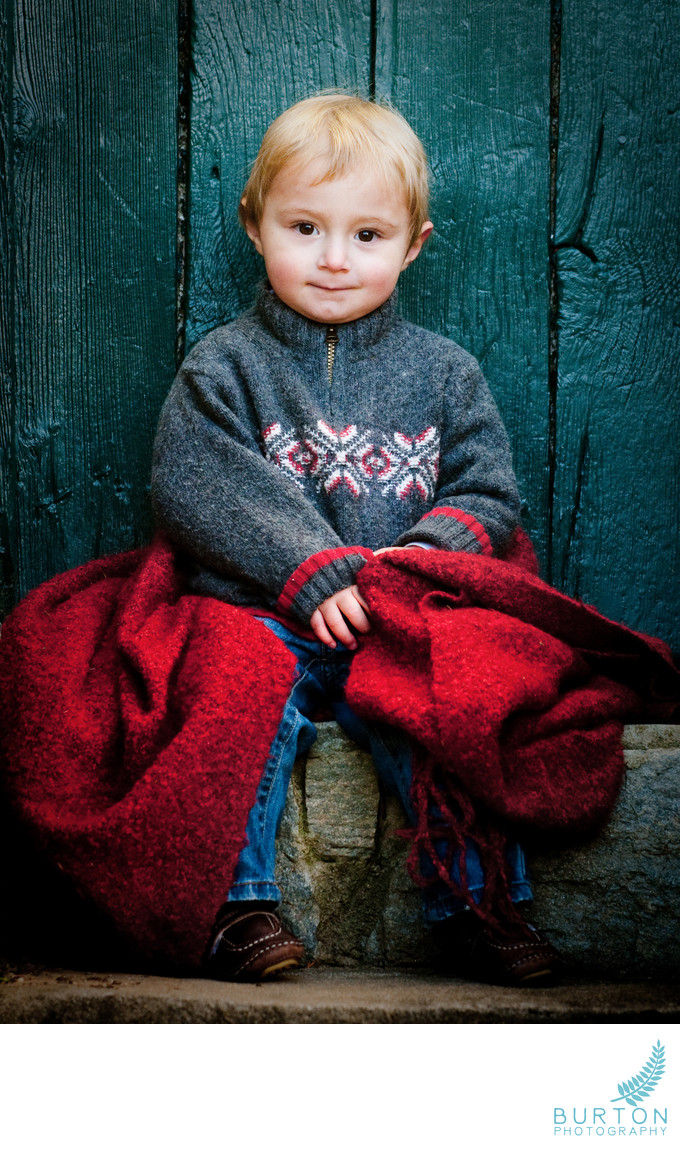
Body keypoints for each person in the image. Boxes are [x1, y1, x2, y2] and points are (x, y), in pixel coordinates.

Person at [151, 91, 562, 986]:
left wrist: (407, 565)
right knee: (231, 686)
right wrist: (307, 568)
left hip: (398, 612)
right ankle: (238, 905)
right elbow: (193, 482)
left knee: (448, 696)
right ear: (255, 225)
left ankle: (481, 899)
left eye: (368, 236)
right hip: (267, 615)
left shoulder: (446, 374)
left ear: (413, 244)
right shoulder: (224, 367)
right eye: (305, 226)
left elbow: (488, 492)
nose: (335, 259)